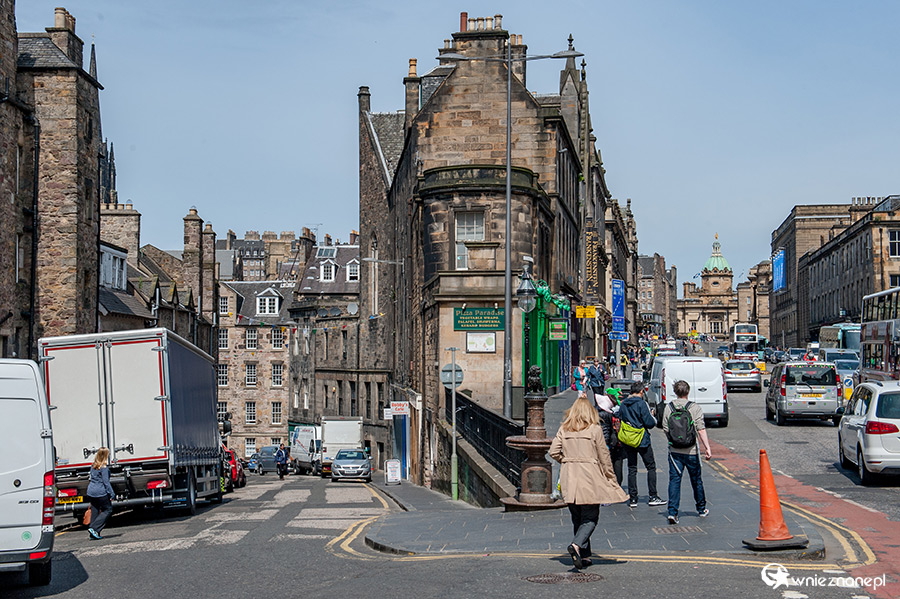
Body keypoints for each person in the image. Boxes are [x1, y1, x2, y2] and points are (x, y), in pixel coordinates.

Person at [550, 396, 628, 569]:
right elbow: (604, 457)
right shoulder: (594, 429)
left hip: (569, 476)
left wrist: (566, 460)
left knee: (577, 518)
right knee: (591, 517)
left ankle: (584, 556)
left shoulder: (564, 429)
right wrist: (611, 478)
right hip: (589, 476)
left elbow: (553, 451)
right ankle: (576, 545)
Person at [661, 380, 711, 524]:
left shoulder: (668, 407)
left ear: (675, 392)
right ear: (688, 391)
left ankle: (672, 512)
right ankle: (701, 509)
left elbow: (665, 427)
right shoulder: (694, 408)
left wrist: (673, 440)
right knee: (696, 480)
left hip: (674, 451)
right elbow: (700, 429)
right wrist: (707, 447)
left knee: (674, 481)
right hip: (691, 451)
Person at [618, 381, 665, 508]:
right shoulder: (641, 404)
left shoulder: (623, 404)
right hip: (641, 439)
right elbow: (649, 423)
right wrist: (652, 416)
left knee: (632, 468)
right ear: (640, 392)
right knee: (651, 467)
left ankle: (633, 498)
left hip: (628, 439)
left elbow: (619, 417)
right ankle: (653, 496)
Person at [596, 390, 625, 485]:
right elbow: (606, 432)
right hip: (615, 443)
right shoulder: (609, 414)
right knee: (617, 466)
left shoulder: (599, 413)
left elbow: (605, 432)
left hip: (609, 444)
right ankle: (617, 486)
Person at [86, 447, 115, 540]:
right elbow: (106, 482)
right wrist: (112, 493)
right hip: (100, 492)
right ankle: (94, 528)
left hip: (91, 491)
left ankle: (93, 534)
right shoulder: (104, 468)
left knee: (95, 510)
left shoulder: (93, 466)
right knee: (108, 510)